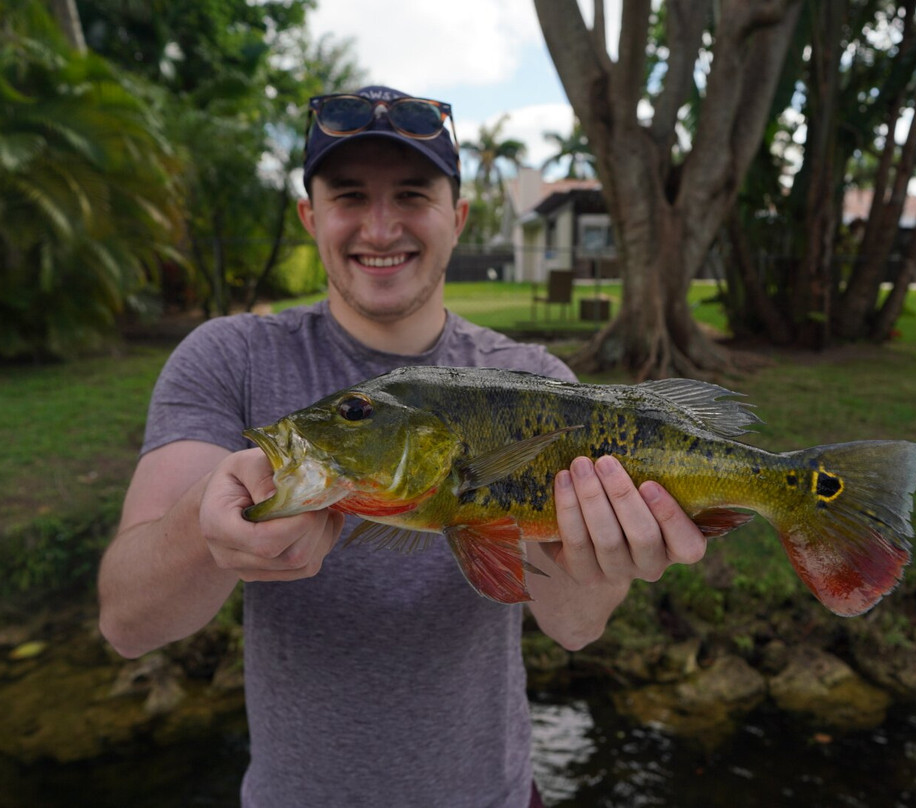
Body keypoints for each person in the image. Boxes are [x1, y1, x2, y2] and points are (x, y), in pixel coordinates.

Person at [97, 85, 708, 808]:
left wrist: (602, 556)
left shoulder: (535, 379)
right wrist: (206, 525)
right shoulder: (229, 359)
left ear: (458, 217)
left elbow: (576, 626)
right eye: (349, 196)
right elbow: (126, 623)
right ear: (310, 216)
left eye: (412, 196)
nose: (381, 228)